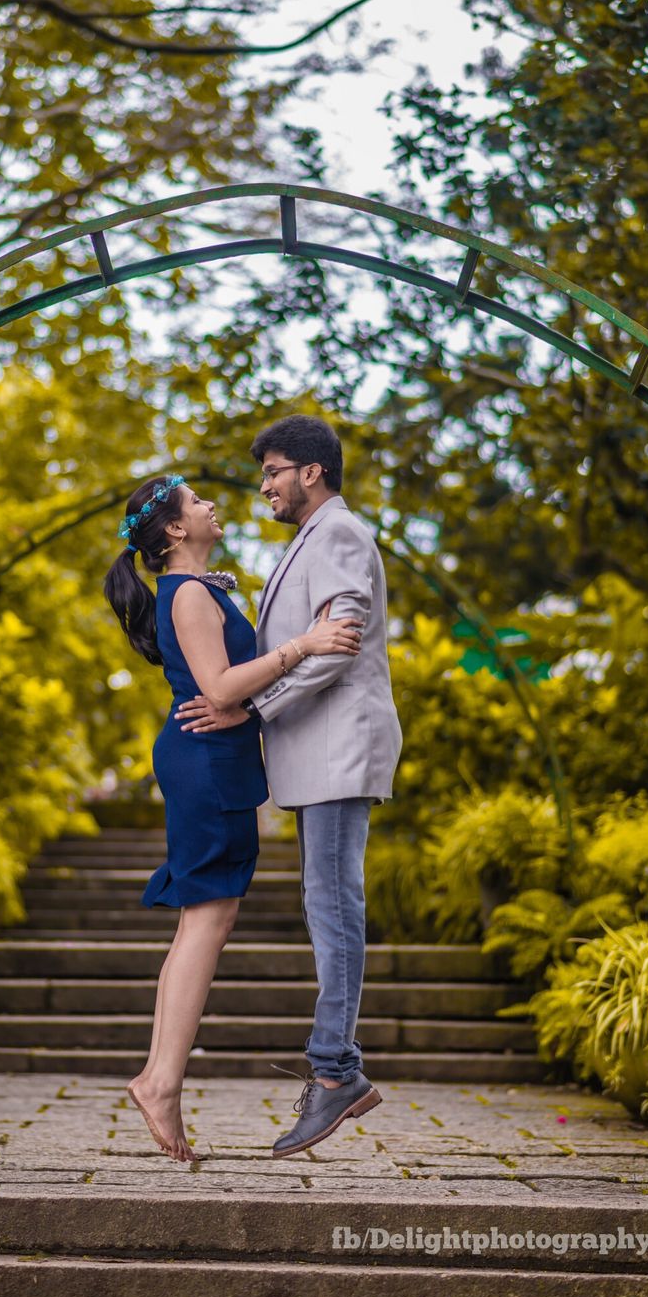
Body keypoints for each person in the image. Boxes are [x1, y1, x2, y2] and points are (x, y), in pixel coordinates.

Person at [103, 472, 363, 1162]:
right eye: (197, 502)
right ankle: (160, 1080)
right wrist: (304, 644)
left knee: (202, 921)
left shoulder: (194, 588)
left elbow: (222, 678)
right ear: (176, 530)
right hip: (207, 763)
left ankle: (159, 1079)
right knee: (207, 923)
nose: (212, 504)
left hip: (210, 759)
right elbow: (218, 686)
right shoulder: (187, 594)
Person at [176, 416, 402, 1158]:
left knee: (333, 905)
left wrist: (251, 705)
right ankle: (337, 1067)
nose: (264, 485)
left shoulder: (337, 533)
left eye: (273, 470)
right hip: (318, 755)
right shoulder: (309, 542)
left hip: (338, 748)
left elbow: (339, 641)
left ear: (311, 471)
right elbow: (308, 635)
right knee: (326, 903)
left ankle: (336, 1071)